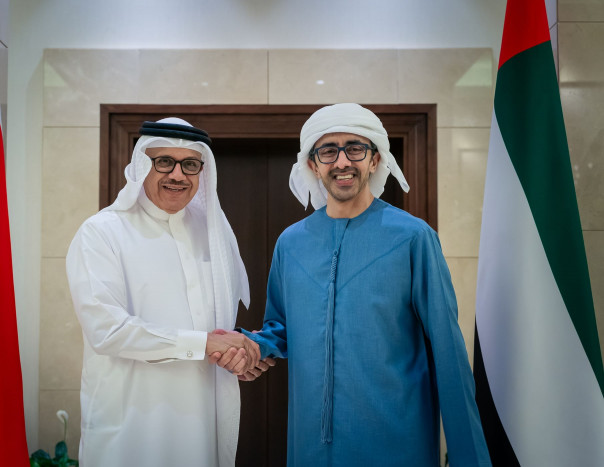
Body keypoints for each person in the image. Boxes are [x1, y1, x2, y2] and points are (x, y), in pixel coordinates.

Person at [238, 103, 491, 466]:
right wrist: (252, 346)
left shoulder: (413, 238)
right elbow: (280, 328)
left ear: (375, 160)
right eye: (328, 151)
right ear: (313, 165)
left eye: (355, 148)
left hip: (397, 445)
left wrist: (470, 459)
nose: (342, 161)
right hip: (310, 447)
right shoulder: (291, 243)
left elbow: (448, 354)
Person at [66, 117, 262, 467]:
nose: (177, 175)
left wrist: (238, 355)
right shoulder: (102, 232)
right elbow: (106, 330)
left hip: (201, 423)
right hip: (131, 423)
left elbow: (217, 328)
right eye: (164, 162)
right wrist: (207, 344)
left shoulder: (212, 234)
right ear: (142, 166)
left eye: (190, 165)